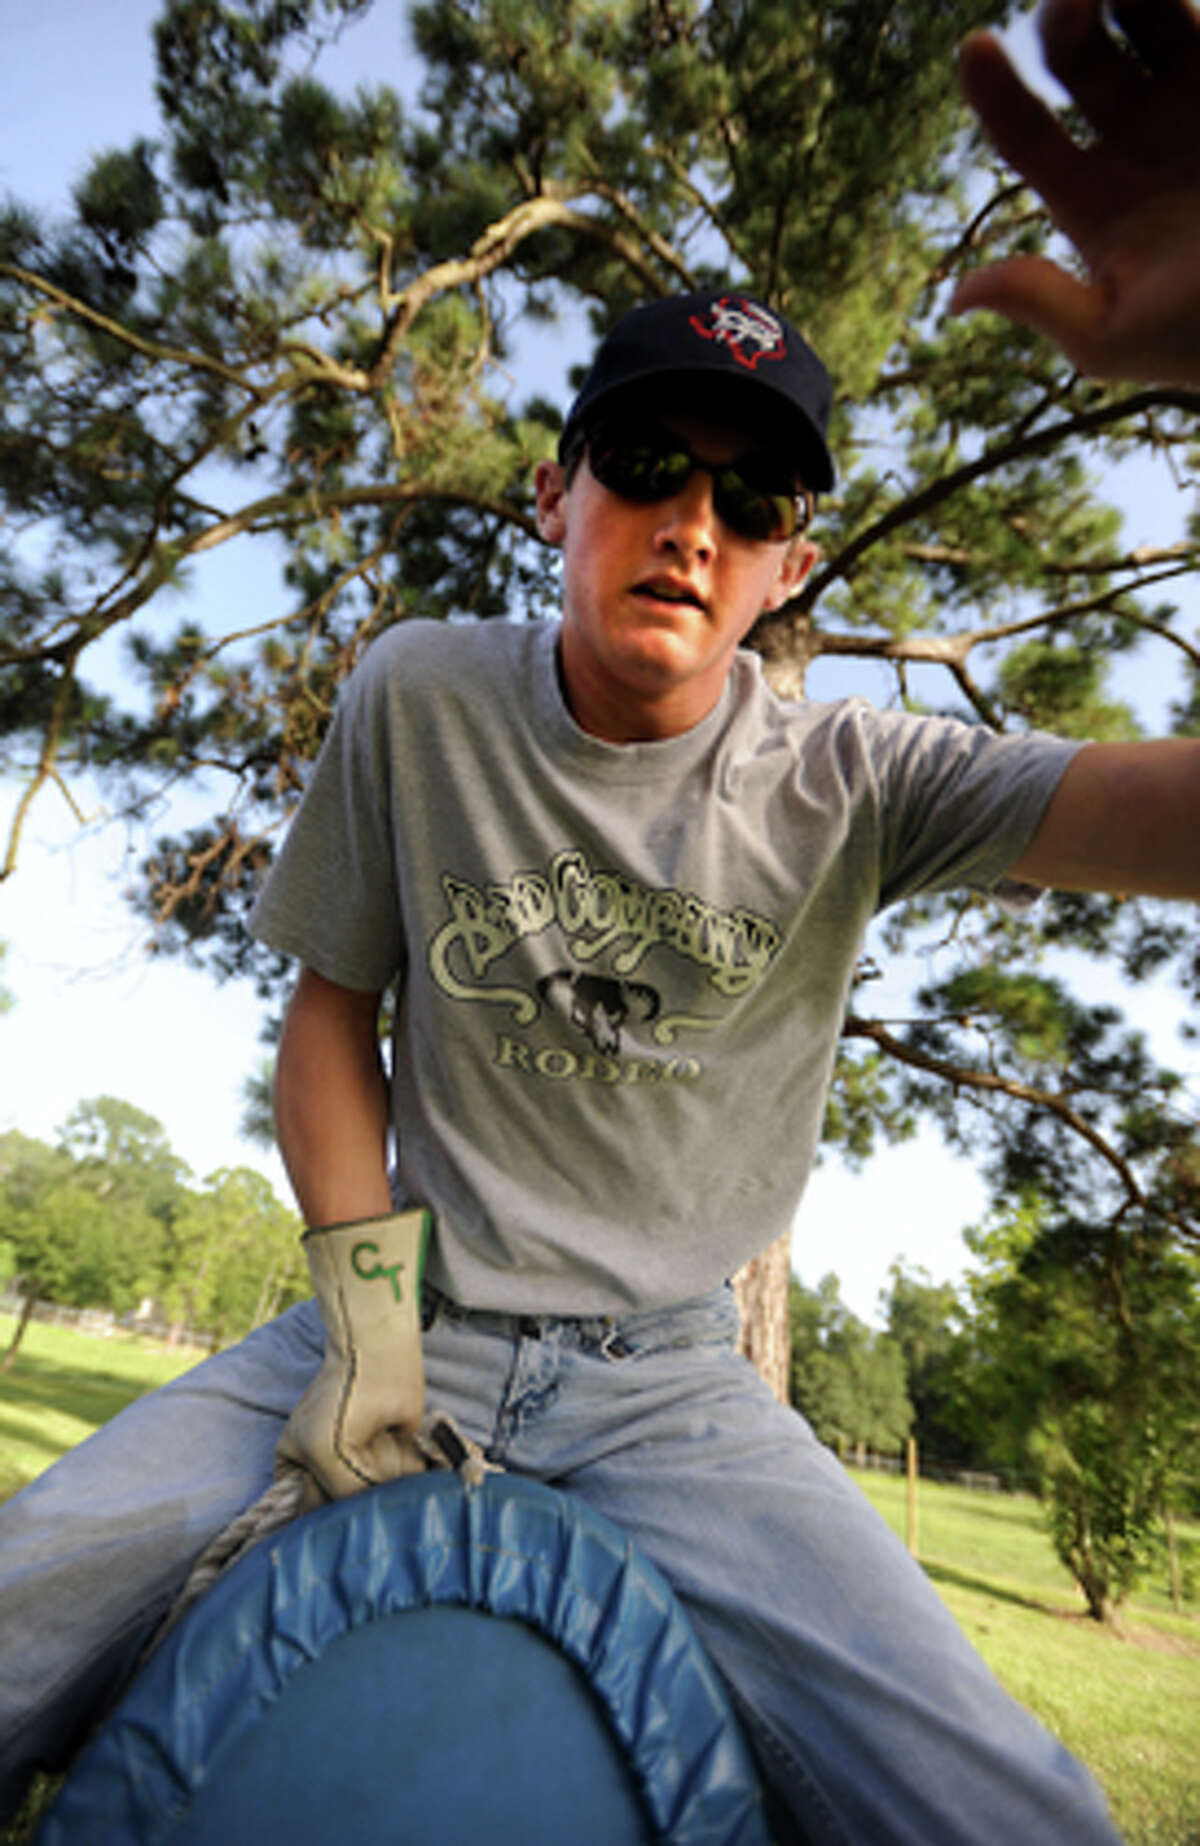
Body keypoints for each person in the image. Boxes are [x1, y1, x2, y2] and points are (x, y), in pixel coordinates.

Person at [2, 1, 1198, 1837]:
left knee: (1016, 1812)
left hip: (676, 1392)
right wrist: (369, 1322)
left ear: (792, 562)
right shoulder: (419, 692)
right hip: (406, 1317)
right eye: (647, 462)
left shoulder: (856, 777)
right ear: (556, 492)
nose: (692, 520)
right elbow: (329, 1011)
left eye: (753, 494)